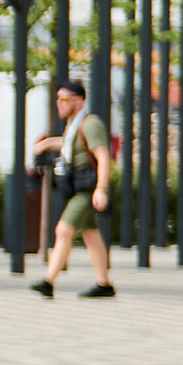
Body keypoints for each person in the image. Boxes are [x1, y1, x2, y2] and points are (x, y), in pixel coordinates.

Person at [31, 79, 115, 299]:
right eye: (57, 99)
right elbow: (70, 144)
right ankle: (104, 284)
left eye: (64, 99)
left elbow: (104, 157)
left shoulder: (91, 123)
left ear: (78, 100)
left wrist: (102, 189)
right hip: (79, 187)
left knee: (63, 230)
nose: (59, 103)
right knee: (91, 235)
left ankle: (48, 281)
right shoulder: (74, 124)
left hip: (88, 188)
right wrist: (49, 143)